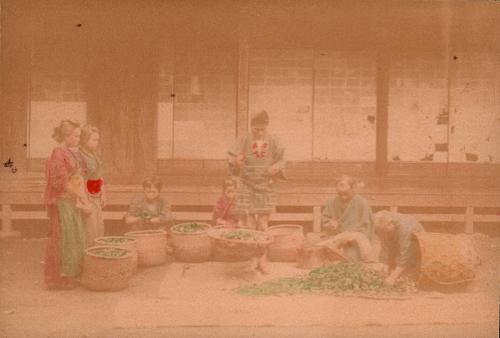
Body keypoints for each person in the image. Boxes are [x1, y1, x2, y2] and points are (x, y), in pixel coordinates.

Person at [227, 110, 286, 274]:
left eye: (262, 129)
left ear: (267, 127)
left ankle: (263, 259)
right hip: (248, 184)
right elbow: (230, 156)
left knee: (263, 224)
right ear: (251, 126)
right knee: (251, 224)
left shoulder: (274, 139)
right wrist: (235, 161)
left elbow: (283, 159)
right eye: (256, 129)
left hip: (266, 184)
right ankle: (253, 259)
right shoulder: (244, 139)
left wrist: (277, 167)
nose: (260, 132)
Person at [44, 120, 89, 289]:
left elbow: (79, 177)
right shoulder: (58, 154)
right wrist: (80, 197)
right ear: (66, 136)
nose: (78, 139)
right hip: (62, 202)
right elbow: (60, 183)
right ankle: (58, 279)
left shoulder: (73, 153)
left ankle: (72, 274)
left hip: (72, 201)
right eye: (76, 136)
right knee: (63, 238)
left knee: (75, 236)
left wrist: (81, 196)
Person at [317, 175, 375, 262]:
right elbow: (325, 219)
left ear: (352, 189)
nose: (342, 196)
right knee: (318, 250)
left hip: (354, 241)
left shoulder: (362, 203)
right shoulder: (331, 202)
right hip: (336, 237)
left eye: (345, 193)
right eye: (340, 194)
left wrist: (351, 237)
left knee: (349, 258)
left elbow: (367, 226)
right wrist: (330, 223)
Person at [373, 210, 425, 286]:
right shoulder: (382, 226)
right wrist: (384, 265)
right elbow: (384, 246)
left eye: (386, 232)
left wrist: (392, 277)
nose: (385, 234)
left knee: (407, 277)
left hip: (415, 243)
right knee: (389, 271)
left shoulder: (404, 228)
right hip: (397, 241)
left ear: (391, 224)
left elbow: (405, 254)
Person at [79, 125, 105, 247]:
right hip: (86, 193)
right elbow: (79, 179)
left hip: (96, 193)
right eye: (93, 140)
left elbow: (100, 175)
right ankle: (88, 256)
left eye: (97, 140)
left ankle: (97, 254)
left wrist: (103, 193)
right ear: (84, 140)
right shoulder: (79, 156)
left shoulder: (95, 154)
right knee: (90, 227)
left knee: (99, 226)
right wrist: (84, 200)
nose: (96, 143)